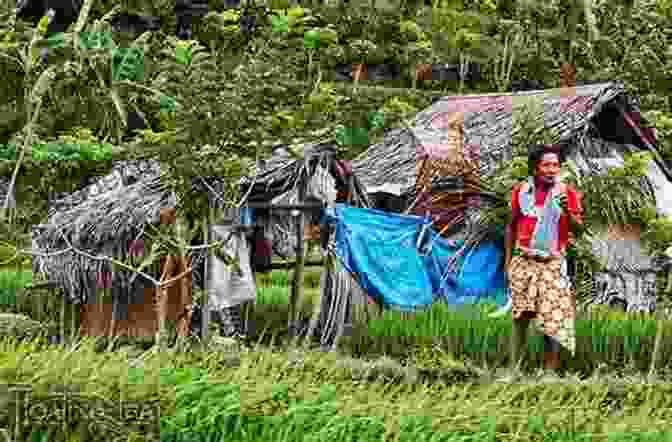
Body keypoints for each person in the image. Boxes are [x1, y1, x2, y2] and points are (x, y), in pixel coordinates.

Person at [505, 143, 584, 373]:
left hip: (552, 262)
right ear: (535, 168)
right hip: (523, 260)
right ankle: (516, 370)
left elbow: (578, 230)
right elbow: (510, 227)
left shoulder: (566, 193)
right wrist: (508, 262)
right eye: (546, 165)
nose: (552, 169)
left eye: (555, 165)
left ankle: (549, 374)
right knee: (521, 316)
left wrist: (568, 211)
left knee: (552, 319)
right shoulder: (521, 192)